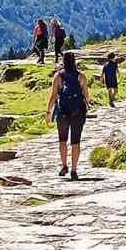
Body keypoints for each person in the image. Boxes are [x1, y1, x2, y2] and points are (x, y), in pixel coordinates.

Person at [46, 51, 90, 181]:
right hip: (78, 112)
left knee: (62, 140)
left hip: (63, 113)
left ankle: (64, 165)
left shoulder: (58, 76)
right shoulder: (81, 76)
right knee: (75, 142)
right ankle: (74, 170)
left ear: (63, 61)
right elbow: (86, 96)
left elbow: (53, 95)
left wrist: (48, 111)